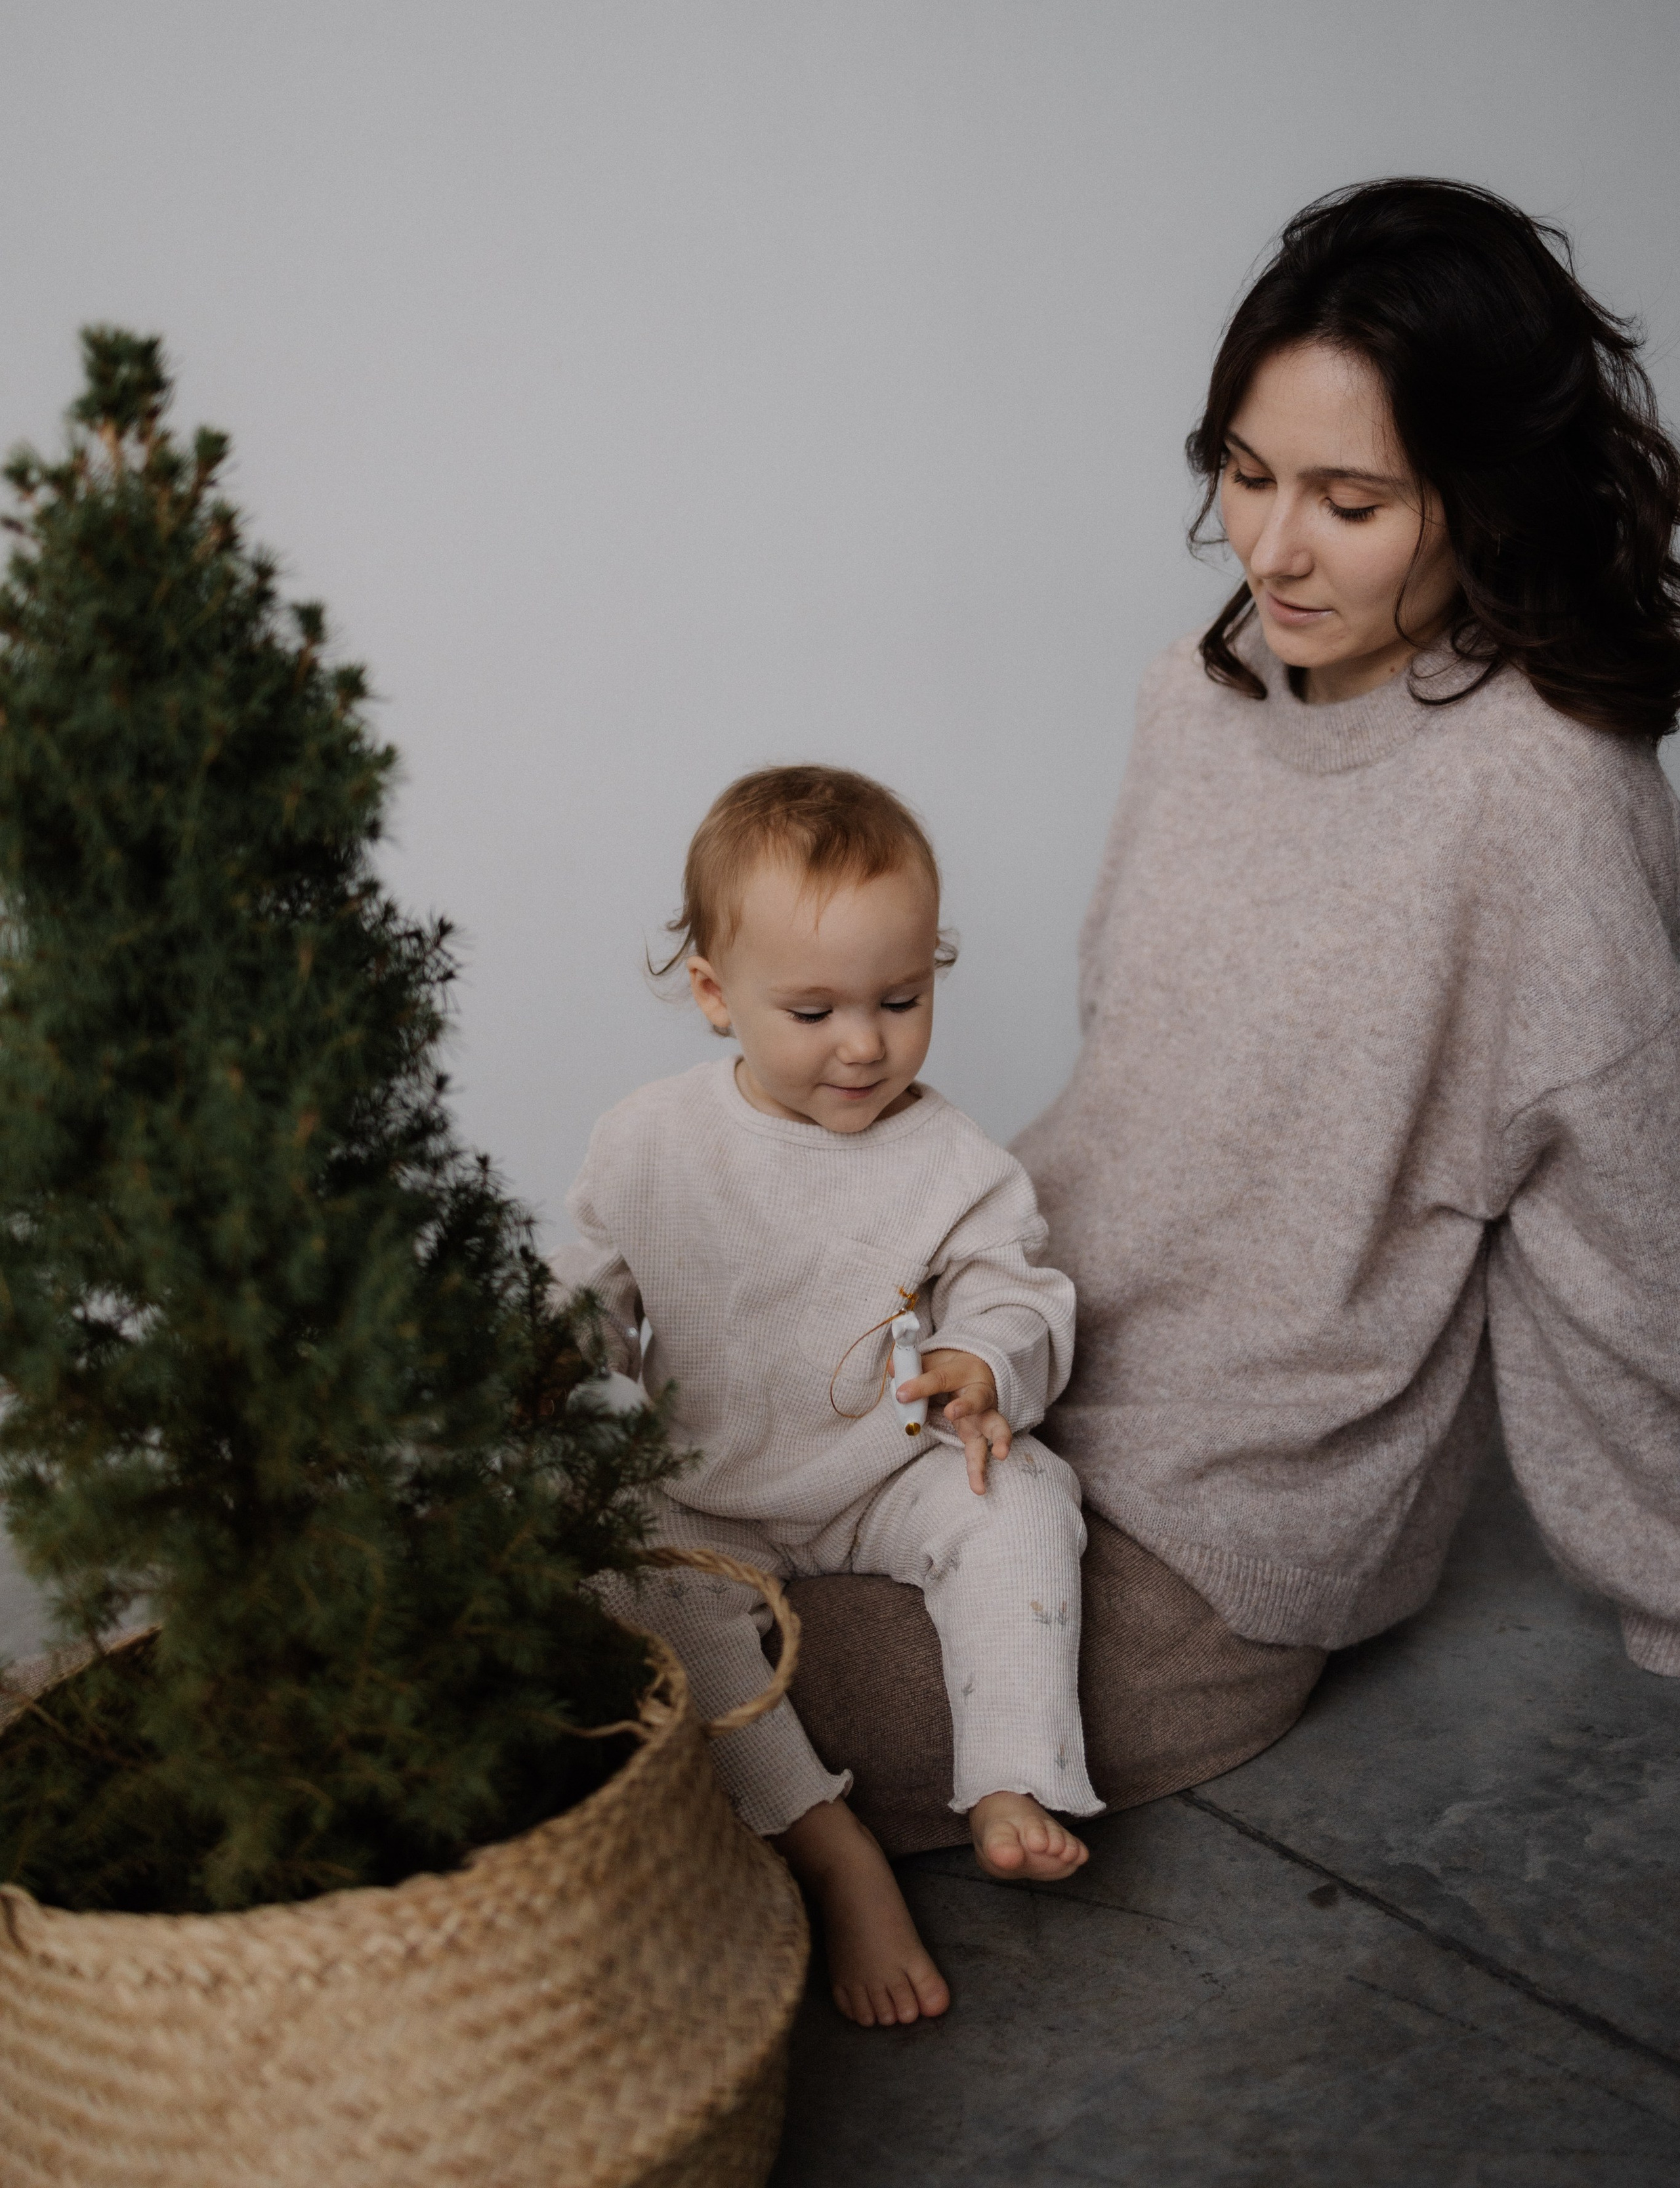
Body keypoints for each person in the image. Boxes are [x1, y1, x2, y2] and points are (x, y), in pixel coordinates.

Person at [1013, 177, 1680, 1689]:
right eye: (1245, 477)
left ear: (1484, 497)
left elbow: (1626, 1256)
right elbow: (1128, 1081)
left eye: (1351, 504)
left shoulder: (1544, 797)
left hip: (1235, 1512)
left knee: (722, 1713)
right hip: (1008, 1356)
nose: (1271, 551)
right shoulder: (1192, 687)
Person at [563, 765, 1102, 2029]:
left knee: (1024, 1493)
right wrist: (560, 1377)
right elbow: (585, 1295)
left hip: (877, 1475)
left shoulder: (954, 1161)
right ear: (715, 996)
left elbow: (1021, 1293)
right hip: (703, 1489)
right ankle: (825, 1840)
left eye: (901, 1000)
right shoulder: (647, 1142)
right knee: (622, 1575)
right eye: (812, 1011)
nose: (864, 1044)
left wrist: (985, 1362)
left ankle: (1011, 1779)